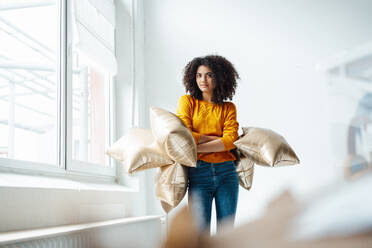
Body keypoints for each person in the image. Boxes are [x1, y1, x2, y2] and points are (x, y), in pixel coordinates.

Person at [176, 55, 240, 234]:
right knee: (199, 235)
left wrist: (196, 145)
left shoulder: (228, 108)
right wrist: (218, 140)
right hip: (198, 173)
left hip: (227, 173)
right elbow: (185, 135)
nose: (203, 80)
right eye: (199, 75)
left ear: (220, 77)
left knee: (226, 235)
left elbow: (230, 140)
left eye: (209, 75)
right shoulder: (187, 102)